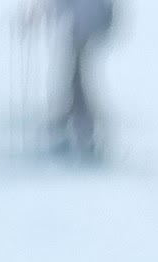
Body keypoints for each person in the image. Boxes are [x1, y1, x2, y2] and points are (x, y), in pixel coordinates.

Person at [47, 0, 115, 158]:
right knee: (76, 75)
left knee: (77, 77)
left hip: (85, 27)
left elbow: (62, 6)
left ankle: (81, 123)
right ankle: (76, 118)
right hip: (86, 27)